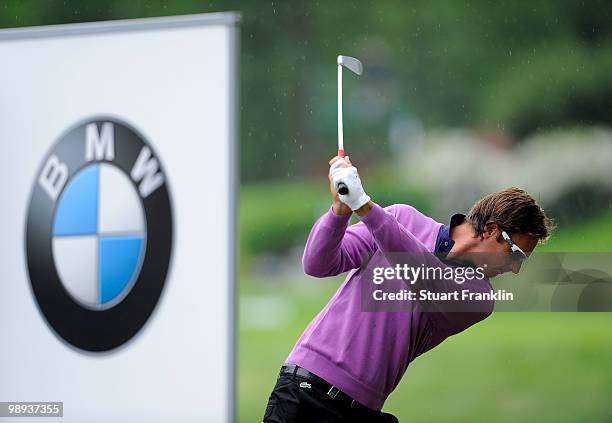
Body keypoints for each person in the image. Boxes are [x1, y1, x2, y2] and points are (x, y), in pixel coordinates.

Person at [262, 156, 554, 422]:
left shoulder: (479, 297)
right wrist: (339, 211)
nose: (515, 268)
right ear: (491, 230)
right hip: (305, 389)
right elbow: (318, 264)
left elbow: (424, 274)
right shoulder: (402, 218)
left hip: (360, 410)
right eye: (516, 254)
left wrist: (364, 206)